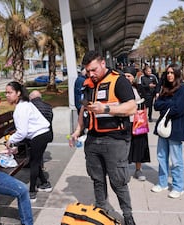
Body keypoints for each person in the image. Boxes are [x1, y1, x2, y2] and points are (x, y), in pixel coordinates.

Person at [69, 51, 137, 225]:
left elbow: (131, 107)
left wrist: (106, 109)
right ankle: (102, 213)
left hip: (115, 140)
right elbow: (84, 109)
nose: (91, 74)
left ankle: (128, 216)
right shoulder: (88, 84)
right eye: (88, 71)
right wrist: (77, 130)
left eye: (93, 70)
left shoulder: (118, 80)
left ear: (103, 64)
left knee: (118, 181)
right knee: (97, 179)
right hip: (92, 140)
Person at [5, 82, 53, 203]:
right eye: (6, 93)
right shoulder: (25, 104)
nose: (7, 95)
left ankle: (31, 192)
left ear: (18, 93)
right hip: (43, 133)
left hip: (39, 135)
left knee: (34, 162)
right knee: (35, 160)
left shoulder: (21, 108)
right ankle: (45, 184)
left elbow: (22, 132)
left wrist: (10, 141)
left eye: (10, 92)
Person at [151, 63, 184, 199]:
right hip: (163, 127)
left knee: (175, 159)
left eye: (172, 73)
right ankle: (162, 183)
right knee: (161, 156)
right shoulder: (164, 88)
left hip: (176, 127)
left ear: (177, 74)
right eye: (168, 73)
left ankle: (178, 187)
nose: (169, 75)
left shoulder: (183, 89)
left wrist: (166, 107)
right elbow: (156, 105)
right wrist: (169, 105)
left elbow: (179, 108)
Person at [123, 66, 150, 181]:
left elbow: (145, 103)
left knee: (139, 145)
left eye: (128, 76)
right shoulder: (119, 89)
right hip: (125, 122)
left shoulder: (139, 89)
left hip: (138, 122)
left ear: (133, 78)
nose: (126, 78)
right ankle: (123, 171)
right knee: (124, 147)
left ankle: (138, 169)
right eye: (124, 76)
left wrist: (144, 118)